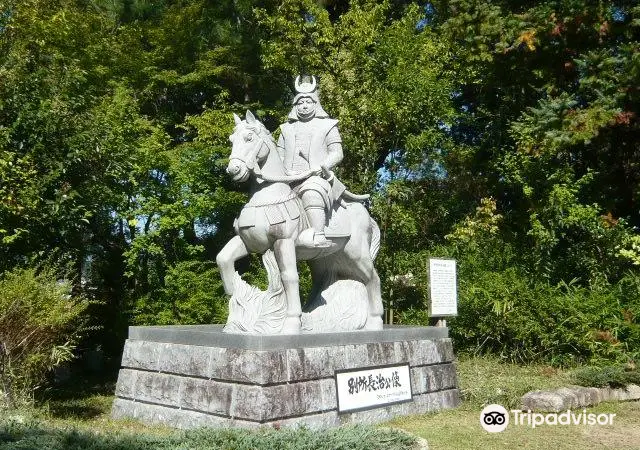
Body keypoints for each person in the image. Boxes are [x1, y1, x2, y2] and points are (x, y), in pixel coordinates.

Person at [277, 76, 345, 248]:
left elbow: (337, 153)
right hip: (288, 179)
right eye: (300, 102)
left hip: (315, 178)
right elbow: (279, 155)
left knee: (311, 191)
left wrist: (322, 166)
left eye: (308, 101)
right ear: (295, 105)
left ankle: (318, 234)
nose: (304, 105)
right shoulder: (286, 129)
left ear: (316, 104)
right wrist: (284, 172)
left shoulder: (328, 125)